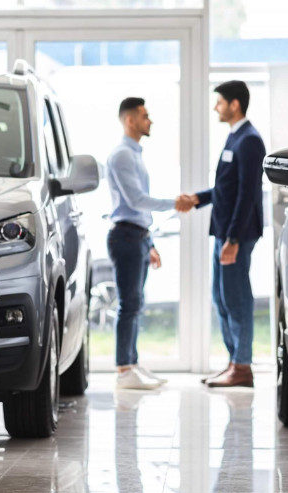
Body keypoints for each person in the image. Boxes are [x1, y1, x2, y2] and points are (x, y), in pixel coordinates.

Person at [107, 97, 197, 390]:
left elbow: (139, 208)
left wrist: (151, 242)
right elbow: (135, 201)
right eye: (145, 116)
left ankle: (131, 364)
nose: (150, 121)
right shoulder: (122, 155)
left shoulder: (134, 154)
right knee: (129, 305)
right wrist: (174, 203)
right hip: (126, 236)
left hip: (138, 236)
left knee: (136, 303)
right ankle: (123, 371)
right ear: (129, 120)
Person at [186, 81, 266, 388]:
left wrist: (232, 239)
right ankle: (234, 362)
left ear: (234, 104)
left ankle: (242, 366)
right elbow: (226, 188)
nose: (215, 107)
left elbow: (247, 193)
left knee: (236, 299)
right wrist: (197, 198)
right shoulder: (235, 136)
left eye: (219, 102)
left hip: (237, 234)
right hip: (224, 231)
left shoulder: (249, 140)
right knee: (221, 298)